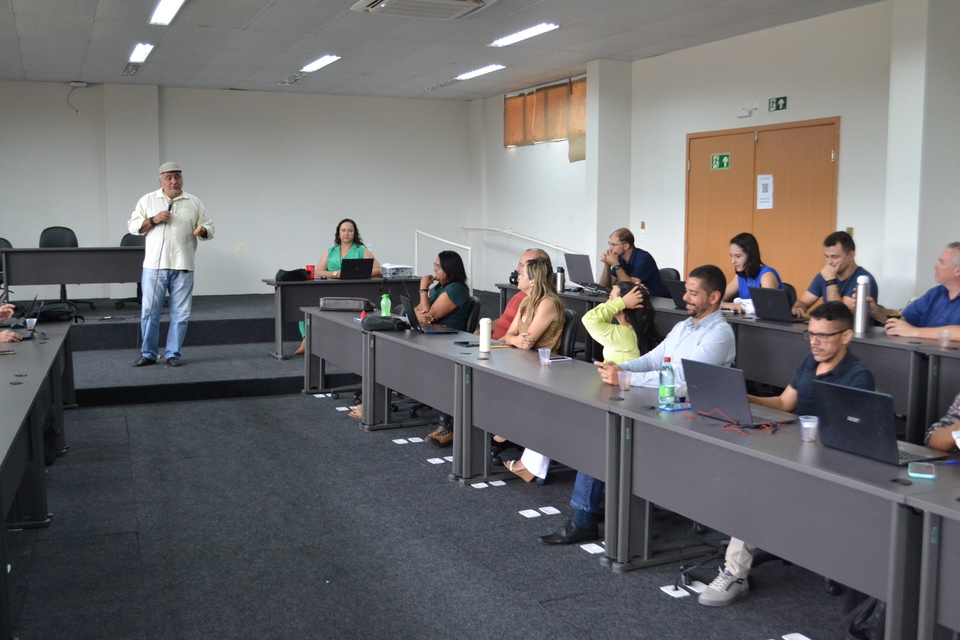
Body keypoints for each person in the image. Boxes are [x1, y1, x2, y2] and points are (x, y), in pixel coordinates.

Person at [698, 301, 875, 607]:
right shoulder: (809, 362)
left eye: (823, 336)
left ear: (846, 336)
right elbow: (784, 403)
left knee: (756, 483)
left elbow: (849, 435)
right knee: (742, 465)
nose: (814, 342)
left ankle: (735, 573)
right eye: (811, 334)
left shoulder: (858, 376)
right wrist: (743, 395)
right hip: (795, 451)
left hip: (830, 464)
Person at [538, 282, 663, 544]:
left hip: (623, 407)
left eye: (613, 298)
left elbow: (590, 319)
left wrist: (621, 302)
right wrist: (621, 301)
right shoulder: (636, 331)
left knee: (594, 446)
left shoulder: (624, 334)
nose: (609, 302)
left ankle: (583, 519)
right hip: (626, 401)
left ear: (627, 304)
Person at [128, 162, 214, 367]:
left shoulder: (194, 202)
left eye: (177, 177)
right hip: (154, 268)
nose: (174, 181)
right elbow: (133, 226)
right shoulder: (148, 200)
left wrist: (203, 230)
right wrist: (153, 219)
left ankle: (172, 353)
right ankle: (148, 354)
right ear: (161, 181)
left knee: (181, 315)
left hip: (184, 266)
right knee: (150, 313)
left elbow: (209, 226)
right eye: (169, 178)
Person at [595, 264, 735, 390]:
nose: (685, 297)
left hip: (695, 406)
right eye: (686, 291)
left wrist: (627, 377)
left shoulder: (719, 334)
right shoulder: (682, 326)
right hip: (667, 399)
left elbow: (686, 376)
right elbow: (652, 360)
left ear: (714, 297)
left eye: (693, 293)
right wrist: (621, 369)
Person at [498, 257, 566, 481]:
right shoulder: (526, 302)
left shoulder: (548, 303)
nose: (517, 275)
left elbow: (529, 341)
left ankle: (504, 435)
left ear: (534, 280)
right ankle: (500, 432)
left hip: (543, 368)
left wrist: (516, 340)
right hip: (522, 362)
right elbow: (510, 335)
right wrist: (515, 340)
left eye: (522, 273)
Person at [295, 218, 383, 355]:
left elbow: (379, 270)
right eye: (343, 230)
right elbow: (318, 272)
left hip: (354, 290)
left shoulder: (361, 250)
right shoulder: (330, 251)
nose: (346, 233)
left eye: (350, 231)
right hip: (330, 288)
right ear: (338, 234)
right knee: (306, 303)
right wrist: (336, 273)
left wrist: (358, 273)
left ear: (354, 233)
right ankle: (306, 340)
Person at [421, 251, 471, 446]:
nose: (434, 270)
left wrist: (422, 289)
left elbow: (428, 316)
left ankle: (447, 426)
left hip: (449, 342)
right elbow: (420, 313)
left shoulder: (456, 289)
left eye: (438, 267)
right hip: (435, 338)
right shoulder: (440, 288)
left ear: (450, 269)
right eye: (434, 265)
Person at [866, 242, 960, 342]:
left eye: (942, 262)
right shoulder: (935, 293)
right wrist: (874, 311)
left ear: (957, 271)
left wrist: (913, 331)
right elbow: (902, 317)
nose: (935, 266)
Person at [791, 231, 878, 318]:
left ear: (851, 255)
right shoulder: (824, 276)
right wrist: (798, 308)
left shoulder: (864, 281)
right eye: (827, 257)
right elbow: (803, 302)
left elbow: (839, 316)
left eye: (834, 257)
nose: (829, 262)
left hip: (852, 326)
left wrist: (830, 281)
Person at [490, 249, 551, 341]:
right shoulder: (526, 299)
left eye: (522, 266)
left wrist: (506, 341)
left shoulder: (546, 303)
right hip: (501, 345)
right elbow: (510, 331)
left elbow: (526, 340)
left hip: (513, 348)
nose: (518, 270)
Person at [721, 232, 783, 312]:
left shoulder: (767, 275)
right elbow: (720, 298)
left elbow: (765, 306)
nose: (733, 261)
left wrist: (730, 305)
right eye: (731, 256)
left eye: (738, 256)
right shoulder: (740, 275)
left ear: (750, 255)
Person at [599, 228, 665, 298]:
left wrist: (616, 265)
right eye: (610, 244)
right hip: (634, 299)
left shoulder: (643, 258)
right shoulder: (620, 259)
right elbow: (604, 287)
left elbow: (630, 289)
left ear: (626, 246)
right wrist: (607, 264)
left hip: (653, 300)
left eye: (613, 245)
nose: (610, 249)